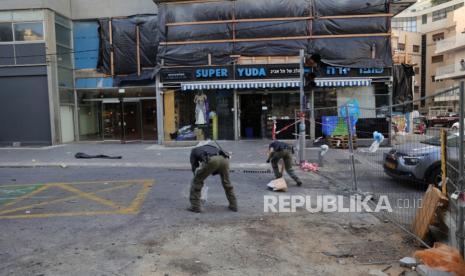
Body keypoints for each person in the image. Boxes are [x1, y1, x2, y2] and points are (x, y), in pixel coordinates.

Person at [189, 143, 237, 213]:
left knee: (196, 181)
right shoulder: (209, 146)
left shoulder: (193, 151)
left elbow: (194, 168)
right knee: (227, 183)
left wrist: (198, 178)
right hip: (224, 159)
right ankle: (234, 205)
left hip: (212, 160)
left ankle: (195, 207)